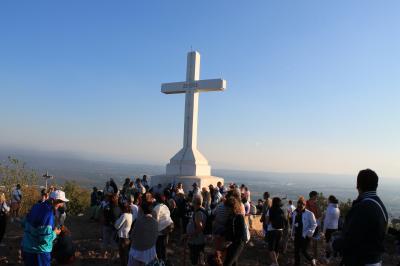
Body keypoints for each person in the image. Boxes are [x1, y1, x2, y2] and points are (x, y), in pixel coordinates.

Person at [332, 169, 388, 266]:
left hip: (361, 261)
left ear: (358, 186)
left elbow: (351, 239)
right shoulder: (379, 205)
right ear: (376, 185)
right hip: (374, 260)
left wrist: (334, 244)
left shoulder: (363, 207)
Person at [22, 190, 69, 266]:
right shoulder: (48, 214)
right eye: (60, 202)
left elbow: (24, 223)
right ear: (53, 200)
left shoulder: (36, 206)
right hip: (40, 252)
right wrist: (55, 233)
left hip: (27, 247)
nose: (62, 204)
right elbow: (44, 239)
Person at [291, 196, 317, 266]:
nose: (300, 207)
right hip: (297, 235)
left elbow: (314, 224)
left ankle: (311, 259)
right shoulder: (294, 213)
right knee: (296, 251)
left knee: (303, 250)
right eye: (299, 206)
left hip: (305, 235)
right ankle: (297, 264)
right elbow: (293, 224)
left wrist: (310, 233)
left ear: (304, 205)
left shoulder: (309, 214)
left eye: (302, 206)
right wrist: (292, 233)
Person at [223, 196, 247, 266]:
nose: (226, 209)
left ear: (233, 207)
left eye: (228, 207)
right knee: (233, 262)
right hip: (231, 243)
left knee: (227, 263)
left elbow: (242, 234)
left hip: (238, 244)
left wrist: (232, 242)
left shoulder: (239, 217)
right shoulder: (230, 217)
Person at [265, 197, 287, 266]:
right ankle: (274, 262)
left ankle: (275, 263)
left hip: (272, 231)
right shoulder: (282, 210)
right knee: (277, 248)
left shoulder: (270, 210)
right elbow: (285, 220)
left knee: (271, 249)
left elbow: (267, 222)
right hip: (280, 231)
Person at [186, 194, 208, 265]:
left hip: (196, 241)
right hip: (199, 240)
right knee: (200, 258)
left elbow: (200, 228)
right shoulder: (203, 210)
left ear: (194, 202)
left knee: (195, 259)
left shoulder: (198, 213)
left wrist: (191, 236)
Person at [152, 194, 174, 262]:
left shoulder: (156, 208)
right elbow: (168, 215)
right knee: (164, 247)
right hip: (168, 228)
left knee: (159, 249)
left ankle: (161, 262)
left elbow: (155, 220)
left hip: (161, 231)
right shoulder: (165, 206)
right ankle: (164, 260)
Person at [323, 195, 340, 262]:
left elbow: (326, 220)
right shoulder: (338, 209)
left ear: (330, 200)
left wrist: (324, 230)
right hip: (335, 228)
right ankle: (335, 256)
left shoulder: (329, 208)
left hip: (329, 228)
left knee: (328, 243)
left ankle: (327, 257)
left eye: (328, 200)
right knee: (334, 242)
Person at [306, 191, 321, 259]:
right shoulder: (315, 204)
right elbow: (319, 215)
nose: (317, 197)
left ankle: (307, 255)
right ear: (313, 196)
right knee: (315, 241)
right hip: (315, 224)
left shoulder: (306, 203)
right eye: (316, 196)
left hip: (308, 224)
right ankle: (315, 257)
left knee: (307, 240)